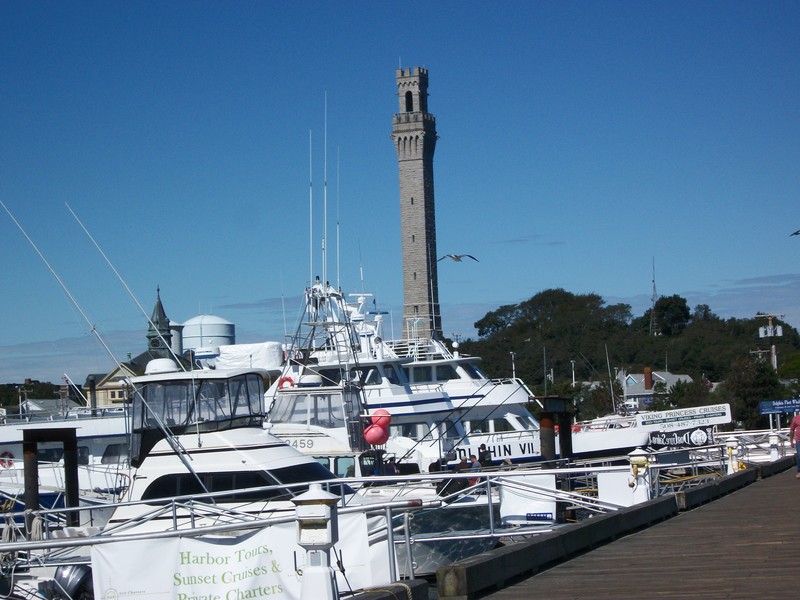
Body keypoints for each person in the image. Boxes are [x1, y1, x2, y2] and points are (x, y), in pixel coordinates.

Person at [790, 413, 800, 478]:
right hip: (799, 440)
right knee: (799, 455)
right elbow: (792, 430)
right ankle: (799, 471)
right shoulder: (796, 418)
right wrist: (791, 441)